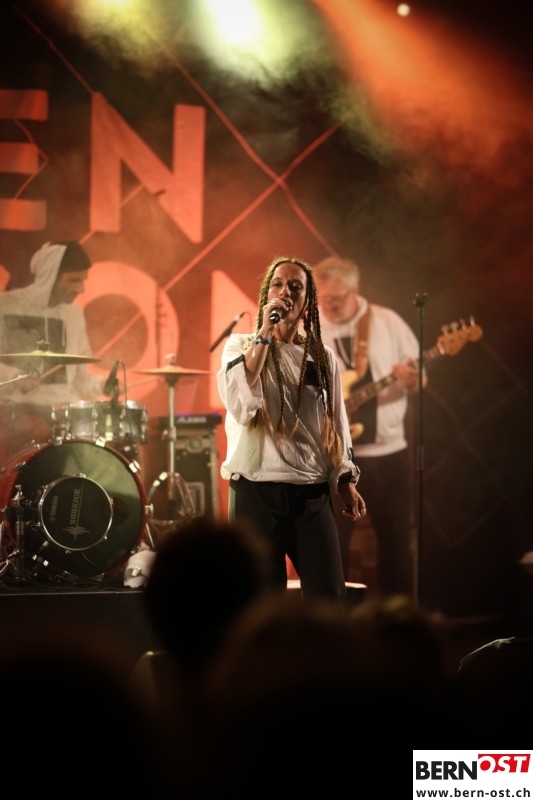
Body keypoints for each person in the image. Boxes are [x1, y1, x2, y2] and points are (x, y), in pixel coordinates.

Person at [216, 255, 366, 607]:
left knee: (328, 597)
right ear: (266, 295)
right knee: (258, 602)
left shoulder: (322, 357)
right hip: (256, 491)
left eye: (296, 287)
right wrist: (265, 333)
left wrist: (345, 480)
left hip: (310, 494)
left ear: (307, 302)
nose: (285, 292)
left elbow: (336, 425)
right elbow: (241, 403)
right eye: (278, 285)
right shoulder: (240, 346)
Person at [313, 255, 427, 598]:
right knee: (331, 546)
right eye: (324, 299)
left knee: (396, 541)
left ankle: (396, 616)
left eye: (337, 299)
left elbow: (420, 378)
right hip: (334, 459)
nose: (330, 306)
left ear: (355, 291)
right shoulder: (311, 327)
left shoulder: (387, 322)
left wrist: (412, 380)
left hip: (388, 454)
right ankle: (333, 617)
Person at [0, 239, 103, 461]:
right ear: (50, 276)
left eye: (83, 280)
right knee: (37, 431)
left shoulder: (74, 314)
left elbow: (80, 378)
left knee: (101, 448)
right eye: (73, 280)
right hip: (15, 409)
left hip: (61, 410)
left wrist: (102, 385)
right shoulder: (6, 305)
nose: (81, 289)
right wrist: (14, 376)